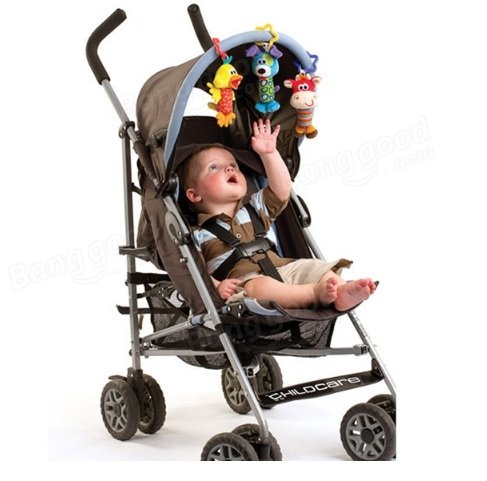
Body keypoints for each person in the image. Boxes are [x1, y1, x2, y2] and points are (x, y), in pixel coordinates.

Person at [179, 118, 376, 311]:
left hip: (284, 268)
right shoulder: (196, 234)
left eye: (234, 165)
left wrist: (269, 153)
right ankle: (315, 294)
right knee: (259, 288)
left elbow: (281, 190)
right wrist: (216, 287)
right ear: (194, 195)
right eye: (214, 167)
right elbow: (196, 271)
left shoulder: (255, 209)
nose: (229, 168)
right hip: (246, 283)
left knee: (316, 267)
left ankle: (341, 292)